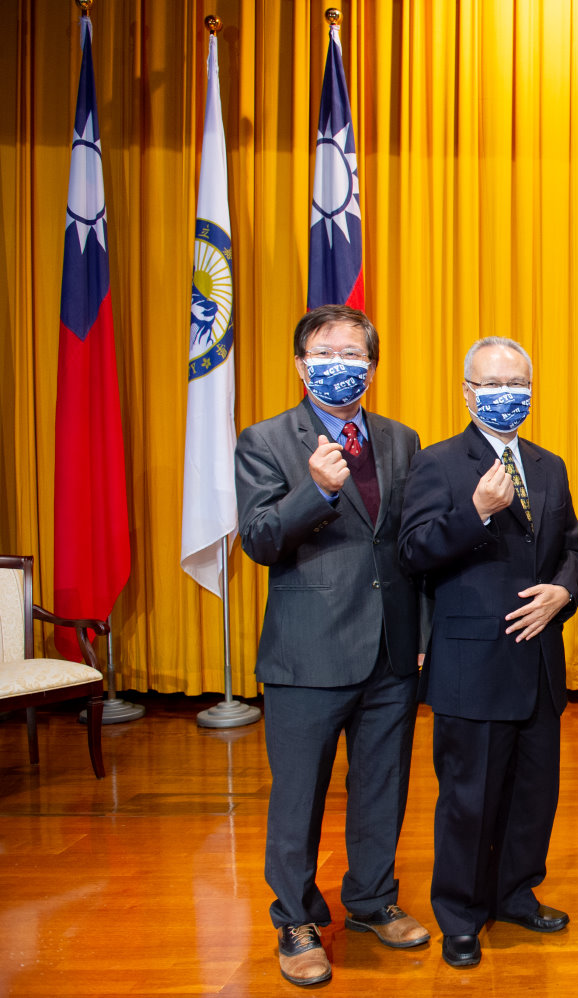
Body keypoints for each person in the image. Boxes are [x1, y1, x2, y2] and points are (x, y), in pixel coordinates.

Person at [235, 304, 428, 987]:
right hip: (306, 653)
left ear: (372, 369)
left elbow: (412, 547)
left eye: (354, 354)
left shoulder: (402, 441)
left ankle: (373, 899)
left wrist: (422, 637)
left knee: (382, 786)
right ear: (300, 363)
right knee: (299, 795)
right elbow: (259, 540)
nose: (339, 365)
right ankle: (294, 918)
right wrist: (313, 491)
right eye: (326, 352)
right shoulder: (265, 441)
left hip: (391, 652)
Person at [397, 336, 578, 970]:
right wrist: (475, 512)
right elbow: (415, 550)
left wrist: (563, 589)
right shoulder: (438, 462)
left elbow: (573, 548)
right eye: (494, 385)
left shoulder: (550, 464)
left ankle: (515, 893)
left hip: (538, 663)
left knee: (534, 794)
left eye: (518, 385)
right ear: (468, 392)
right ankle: (460, 913)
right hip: (470, 667)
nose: (508, 396)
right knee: (468, 799)